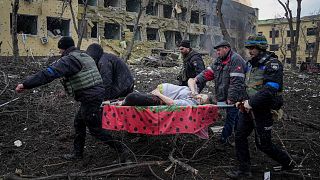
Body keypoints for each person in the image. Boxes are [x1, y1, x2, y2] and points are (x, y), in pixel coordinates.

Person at [15, 37, 128, 162]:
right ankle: (77, 154)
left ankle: (122, 149)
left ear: (64, 49)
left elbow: (48, 73)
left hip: (90, 98)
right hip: (93, 96)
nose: (59, 53)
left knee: (95, 130)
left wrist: (26, 84)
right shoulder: (83, 56)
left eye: (60, 51)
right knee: (79, 122)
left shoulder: (69, 60)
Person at [227, 34, 294, 178]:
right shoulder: (250, 64)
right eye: (249, 47)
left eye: (253, 48)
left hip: (263, 111)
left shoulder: (273, 64)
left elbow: (271, 89)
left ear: (261, 48)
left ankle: (288, 163)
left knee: (263, 144)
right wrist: (241, 100)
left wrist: (250, 103)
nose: (250, 50)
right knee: (239, 136)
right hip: (247, 109)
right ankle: (244, 171)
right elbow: (247, 86)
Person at [193, 40, 247, 146]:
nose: (217, 53)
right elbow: (208, 73)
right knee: (235, 117)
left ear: (226, 48)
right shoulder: (219, 60)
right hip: (224, 95)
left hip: (235, 97)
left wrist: (231, 99)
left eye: (219, 50)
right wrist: (197, 79)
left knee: (230, 118)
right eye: (216, 51)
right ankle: (238, 137)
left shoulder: (236, 60)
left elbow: (236, 83)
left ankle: (223, 140)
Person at [122, 78, 213, 106]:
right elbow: (191, 80)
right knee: (134, 96)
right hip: (159, 91)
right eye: (202, 95)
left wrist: (158, 94)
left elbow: (171, 102)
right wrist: (194, 92)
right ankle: (121, 101)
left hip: (159, 98)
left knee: (132, 97)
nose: (199, 97)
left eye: (201, 100)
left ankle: (121, 104)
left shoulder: (190, 103)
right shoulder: (195, 92)